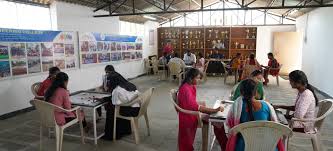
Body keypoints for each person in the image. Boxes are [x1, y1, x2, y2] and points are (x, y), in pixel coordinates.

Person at [219, 79, 285, 151]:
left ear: (241, 92)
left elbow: (230, 125)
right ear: (256, 92)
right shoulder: (266, 106)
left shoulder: (237, 107)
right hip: (267, 146)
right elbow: (274, 126)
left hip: (243, 147)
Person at [177, 68, 224, 151]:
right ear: (191, 78)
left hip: (192, 112)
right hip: (190, 115)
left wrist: (211, 110)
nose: (199, 80)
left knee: (217, 119)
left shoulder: (189, 86)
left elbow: (194, 105)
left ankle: (222, 140)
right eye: (197, 78)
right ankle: (223, 142)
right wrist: (215, 110)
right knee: (217, 119)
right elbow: (196, 107)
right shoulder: (185, 89)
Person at [102, 72, 141, 140]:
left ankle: (110, 135)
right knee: (114, 106)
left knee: (110, 109)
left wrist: (106, 93)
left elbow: (115, 103)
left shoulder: (116, 90)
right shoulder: (129, 84)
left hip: (131, 111)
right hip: (137, 108)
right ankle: (126, 130)